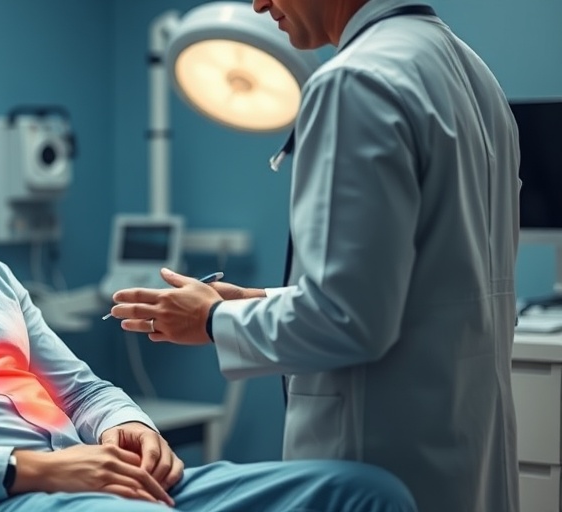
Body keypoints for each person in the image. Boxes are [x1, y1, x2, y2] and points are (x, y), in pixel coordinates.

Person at [0, 33, 417, 512]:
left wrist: (130, 427)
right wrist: (38, 469)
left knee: (361, 493)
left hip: (89, 484)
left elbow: (82, 390)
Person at [109, 1, 520, 511]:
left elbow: (348, 319)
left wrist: (214, 319)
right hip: (462, 448)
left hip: (379, 457)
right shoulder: (476, 78)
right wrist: (259, 299)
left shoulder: (356, 82)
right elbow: (422, 284)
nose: (258, 3)